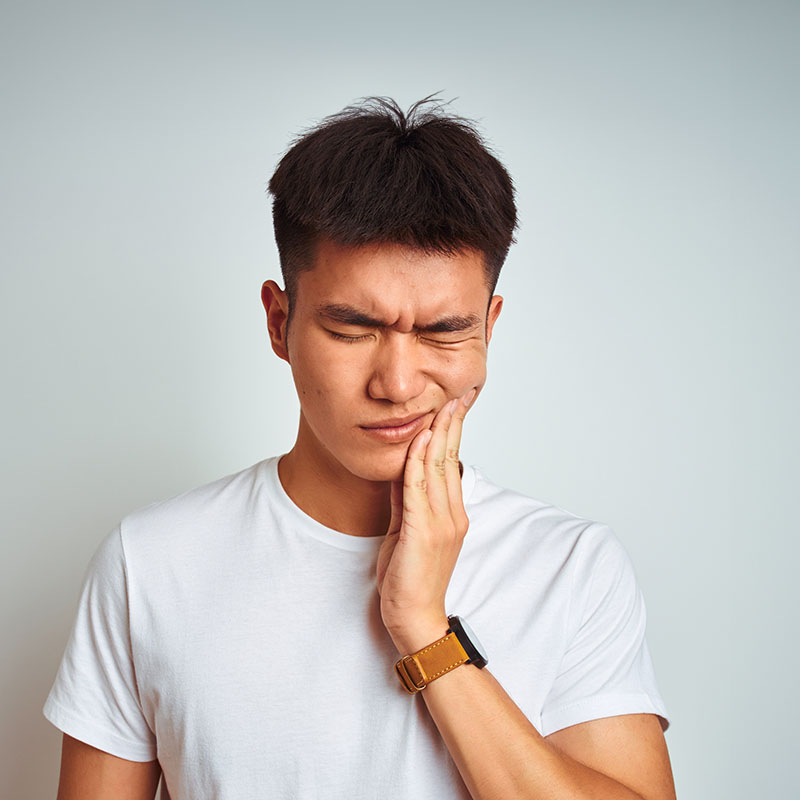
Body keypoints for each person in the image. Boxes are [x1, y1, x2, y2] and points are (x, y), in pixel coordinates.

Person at [43, 96, 676, 799]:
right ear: (280, 322)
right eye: (351, 330)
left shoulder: (571, 566)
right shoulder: (152, 561)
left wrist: (426, 633)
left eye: (442, 332)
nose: (398, 383)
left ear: (489, 329)